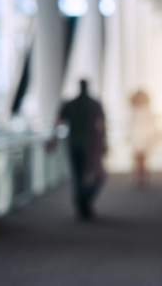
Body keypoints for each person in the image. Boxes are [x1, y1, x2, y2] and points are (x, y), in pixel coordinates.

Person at [56, 79, 107, 220]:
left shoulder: (70, 104)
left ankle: (81, 203)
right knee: (98, 175)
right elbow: (102, 125)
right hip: (90, 145)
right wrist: (103, 143)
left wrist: (53, 140)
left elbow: (58, 121)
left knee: (78, 176)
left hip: (74, 144)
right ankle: (84, 201)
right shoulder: (94, 104)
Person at [128, 89, 156, 188]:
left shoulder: (138, 111)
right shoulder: (141, 111)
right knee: (140, 159)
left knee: (140, 159)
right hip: (140, 138)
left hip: (141, 138)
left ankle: (140, 177)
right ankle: (140, 177)